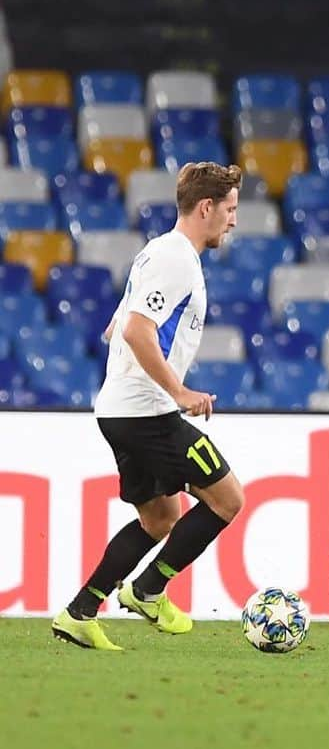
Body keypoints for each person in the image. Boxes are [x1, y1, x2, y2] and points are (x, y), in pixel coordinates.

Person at [51, 162, 247, 650]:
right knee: (227, 500)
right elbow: (137, 329)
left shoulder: (155, 253)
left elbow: (117, 327)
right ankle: (149, 590)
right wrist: (178, 392)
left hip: (123, 410)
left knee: (160, 519)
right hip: (148, 414)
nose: (234, 221)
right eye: (230, 210)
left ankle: (80, 612)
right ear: (207, 208)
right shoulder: (175, 259)